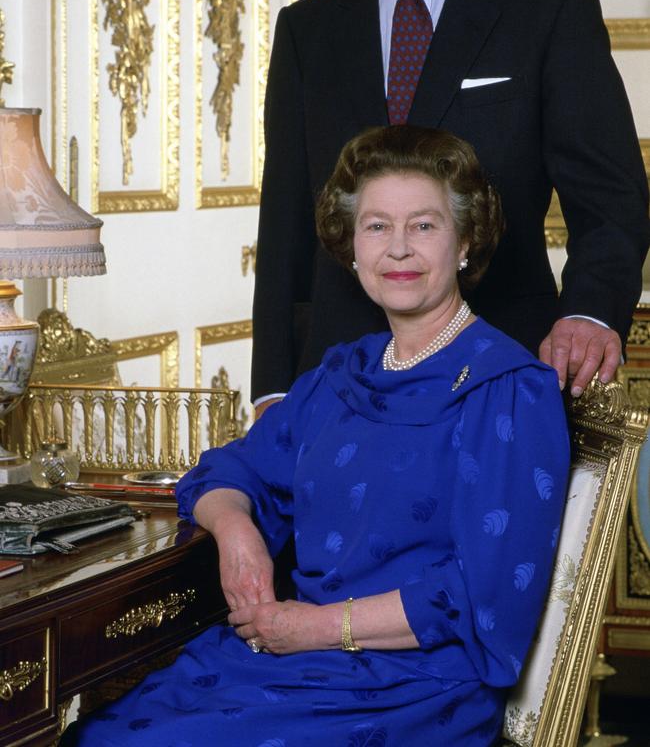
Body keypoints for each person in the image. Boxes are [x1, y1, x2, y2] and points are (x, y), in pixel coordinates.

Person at [67, 126, 570, 746]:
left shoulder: (509, 389)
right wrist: (237, 532)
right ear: (352, 248)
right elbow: (226, 470)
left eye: (424, 226)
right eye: (377, 227)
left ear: (464, 242)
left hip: (412, 688)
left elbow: (480, 593)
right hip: (293, 657)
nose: (399, 250)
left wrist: (315, 629)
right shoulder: (343, 374)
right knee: (100, 734)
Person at [251, 0, 649, 417]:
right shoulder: (308, 30)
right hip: (338, 383)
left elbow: (610, 199)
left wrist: (587, 312)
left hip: (501, 374)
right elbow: (288, 221)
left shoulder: (551, 10)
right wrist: (273, 386)